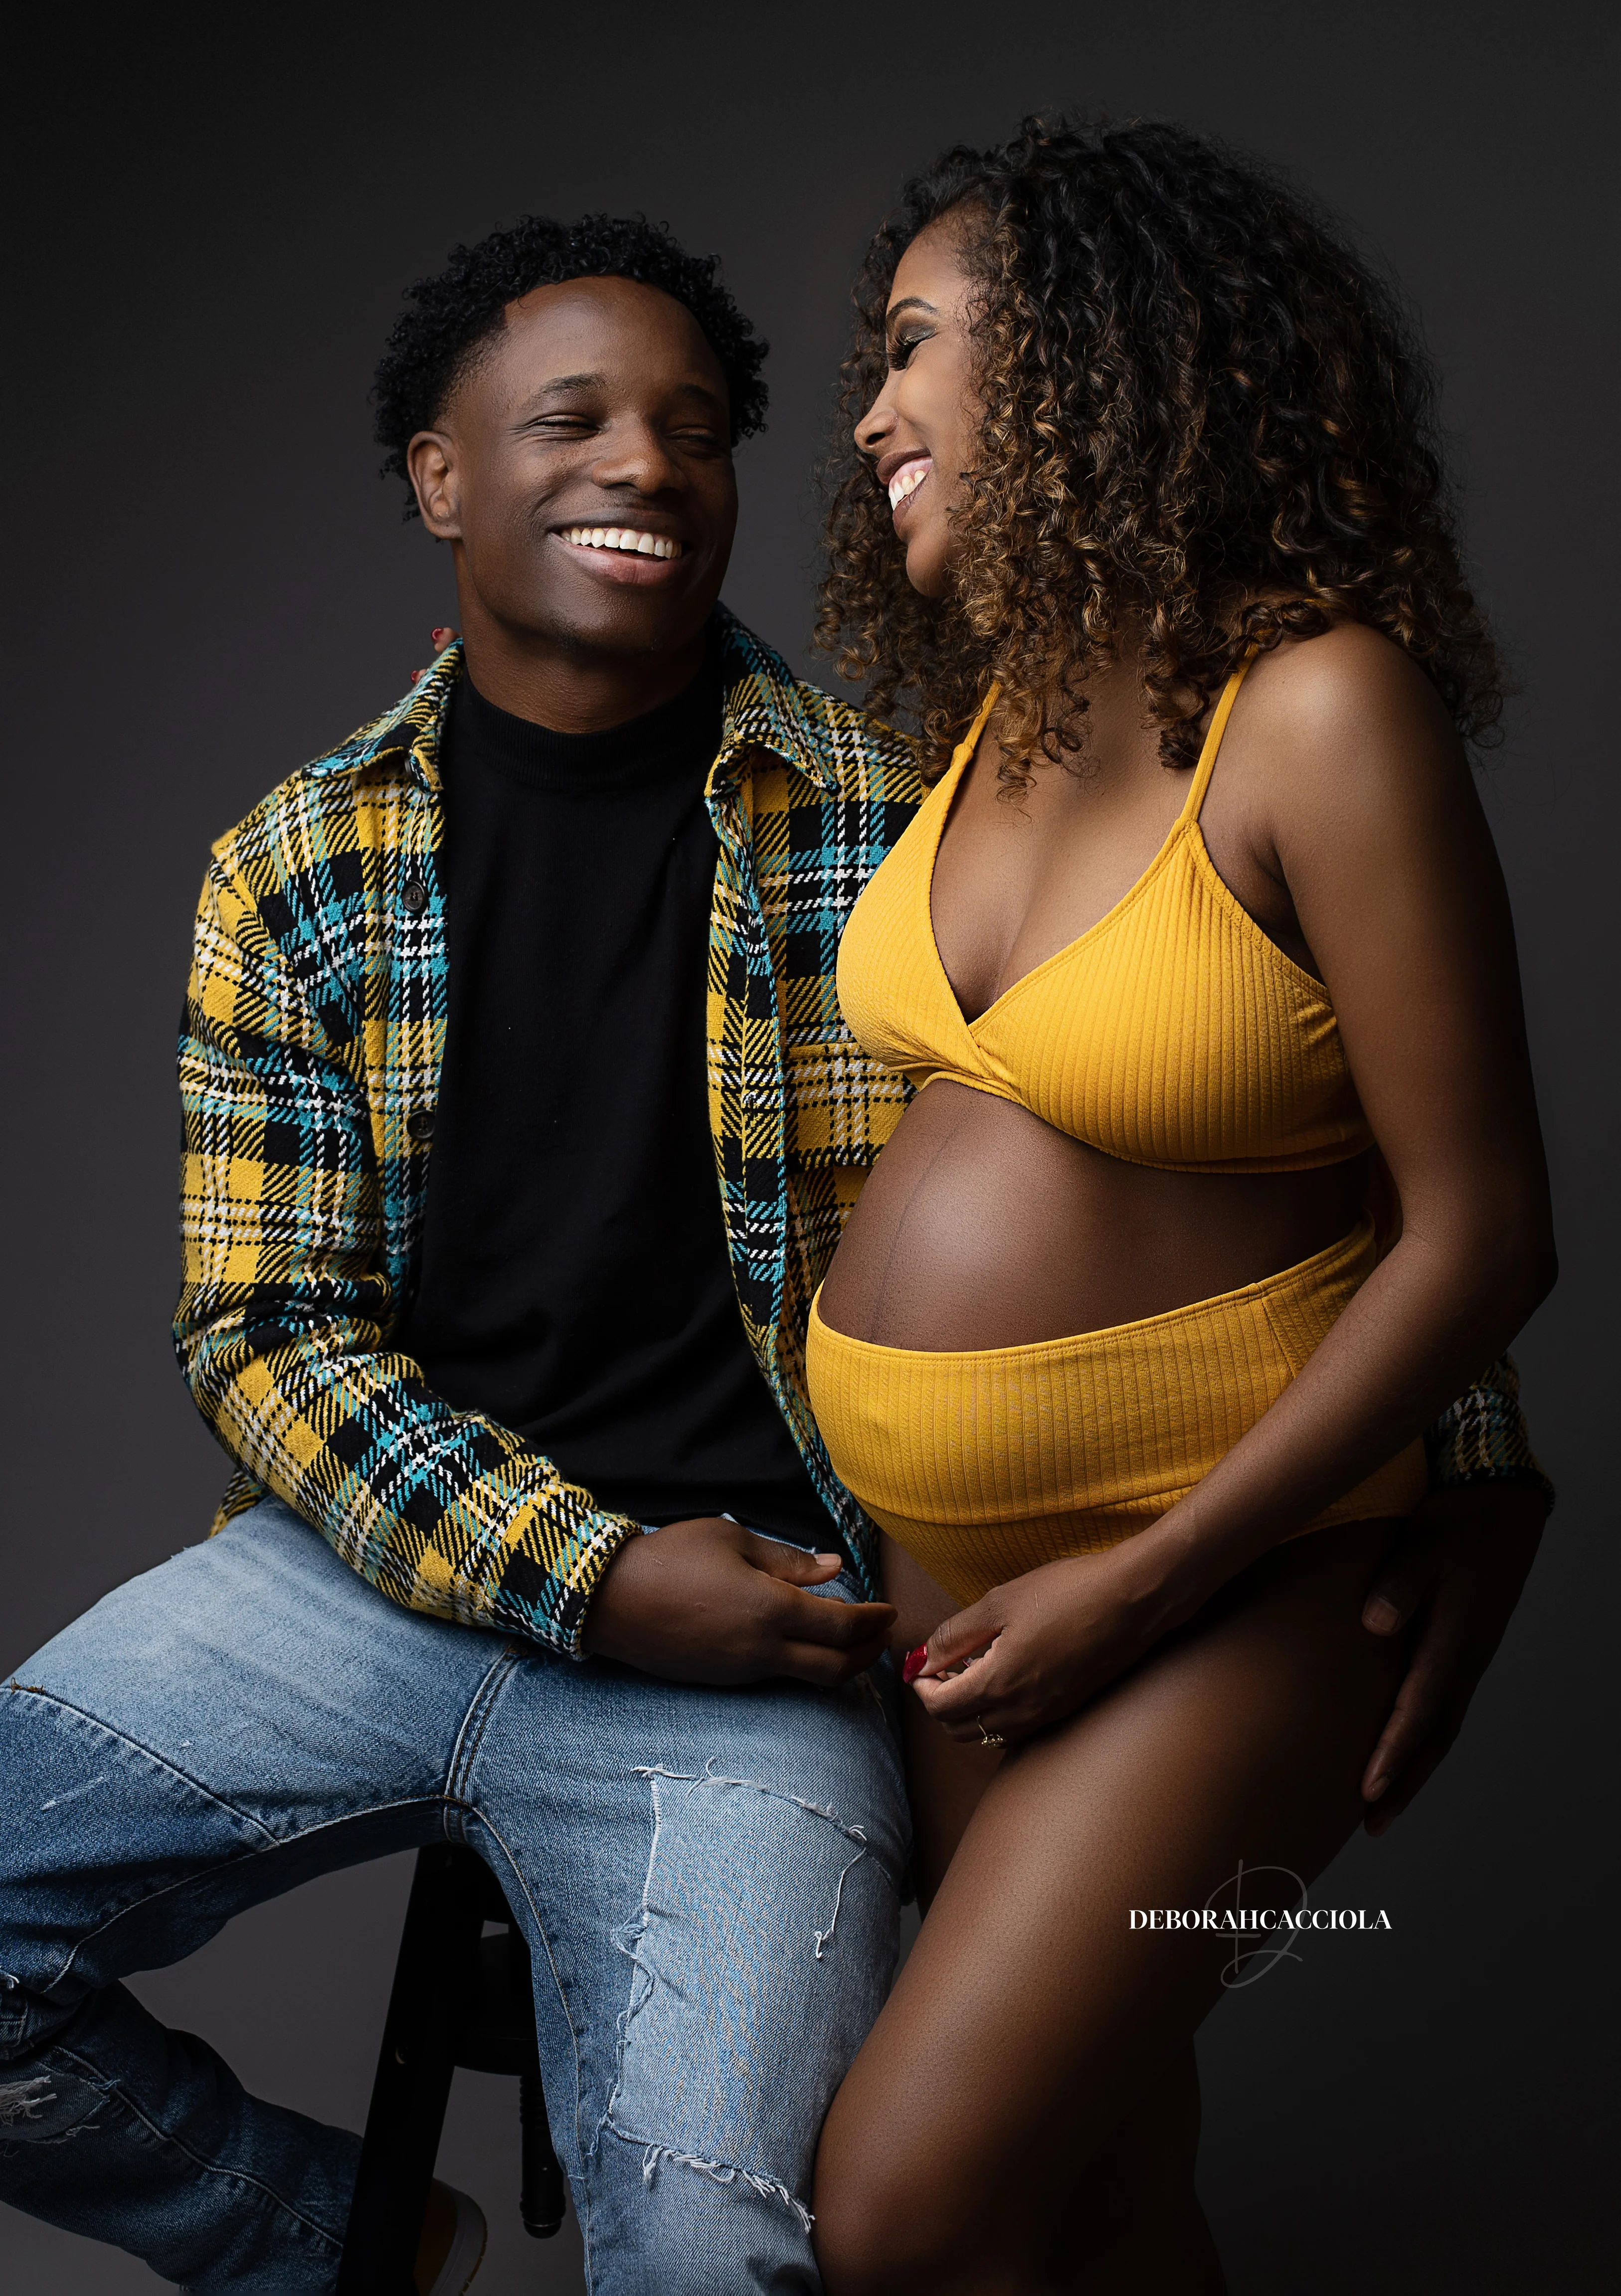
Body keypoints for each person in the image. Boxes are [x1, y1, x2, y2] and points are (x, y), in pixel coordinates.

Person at [0, 187, 1545, 2296]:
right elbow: (263, 1329)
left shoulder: (894, 794)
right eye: (570, 420)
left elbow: (1285, 1116)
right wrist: (588, 1572)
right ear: (440, 479)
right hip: (390, 1581)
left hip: (788, 1614)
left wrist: (1462, 1459)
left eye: (698, 421)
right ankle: (355, 2248)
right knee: (1076, 2182)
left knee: (790, 2240)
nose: (645, 462)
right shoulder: (292, 862)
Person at [803, 117, 1557, 2295]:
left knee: (907, 2212)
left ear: (1089, 363)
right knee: (1093, 2200)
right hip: (962, 1582)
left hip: (1230, 1599)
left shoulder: (1317, 715)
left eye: (920, 343)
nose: (869, 410)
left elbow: (1482, 1235)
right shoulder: (987, 732)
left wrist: (1141, 1584)